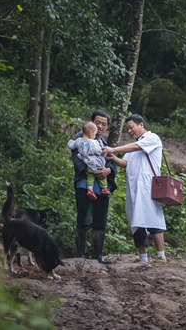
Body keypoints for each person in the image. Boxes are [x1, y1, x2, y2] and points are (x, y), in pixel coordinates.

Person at [102, 114, 167, 264]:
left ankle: (160, 255)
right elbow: (126, 163)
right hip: (134, 188)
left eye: (131, 127)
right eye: (128, 129)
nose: (129, 131)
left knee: (153, 219)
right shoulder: (135, 144)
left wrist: (114, 148)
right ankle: (143, 257)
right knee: (136, 221)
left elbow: (137, 147)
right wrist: (113, 158)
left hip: (148, 186)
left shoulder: (152, 138)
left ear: (141, 125)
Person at [71, 110, 117, 264]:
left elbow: (111, 162)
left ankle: (97, 256)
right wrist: (92, 170)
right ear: (91, 122)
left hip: (103, 188)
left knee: (100, 222)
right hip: (86, 184)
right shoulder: (81, 137)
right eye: (97, 122)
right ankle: (80, 256)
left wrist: (108, 170)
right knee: (84, 219)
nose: (100, 126)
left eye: (104, 124)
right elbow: (76, 158)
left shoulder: (104, 144)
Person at [67, 121, 111, 200]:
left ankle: (90, 190)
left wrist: (69, 142)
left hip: (88, 165)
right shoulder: (93, 142)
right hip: (96, 165)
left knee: (90, 177)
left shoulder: (78, 141)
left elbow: (71, 146)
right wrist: (104, 153)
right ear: (91, 133)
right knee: (102, 177)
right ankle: (104, 188)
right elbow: (98, 151)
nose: (95, 136)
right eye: (94, 134)